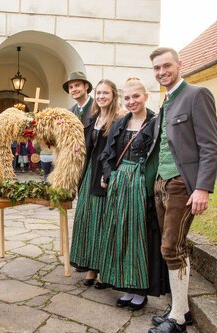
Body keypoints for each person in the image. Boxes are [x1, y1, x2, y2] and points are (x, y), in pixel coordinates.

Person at [147, 47, 217, 333]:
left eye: (166, 66)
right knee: (172, 247)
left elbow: (210, 145)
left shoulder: (196, 95)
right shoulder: (166, 101)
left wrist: (202, 187)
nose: (161, 72)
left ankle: (177, 319)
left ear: (179, 65)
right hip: (161, 183)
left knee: (171, 247)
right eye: (156, 68)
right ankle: (182, 310)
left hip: (182, 183)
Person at [99, 77, 169, 312]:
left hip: (142, 187)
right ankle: (127, 285)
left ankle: (141, 290)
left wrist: (149, 182)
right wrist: (110, 175)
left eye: (136, 96)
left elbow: (160, 156)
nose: (131, 101)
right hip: (120, 187)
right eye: (127, 97)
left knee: (142, 236)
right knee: (121, 234)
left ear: (145, 96)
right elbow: (107, 154)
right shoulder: (120, 124)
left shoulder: (155, 123)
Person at [70, 79, 123, 288]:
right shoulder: (94, 118)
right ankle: (90, 267)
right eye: (99, 93)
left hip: (104, 174)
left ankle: (103, 270)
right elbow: (88, 146)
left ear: (113, 95)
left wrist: (110, 175)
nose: (101, 96)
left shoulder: (119, 118)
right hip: (90, 173)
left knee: (103, 223)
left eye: (106, 93)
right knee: (88, 221)